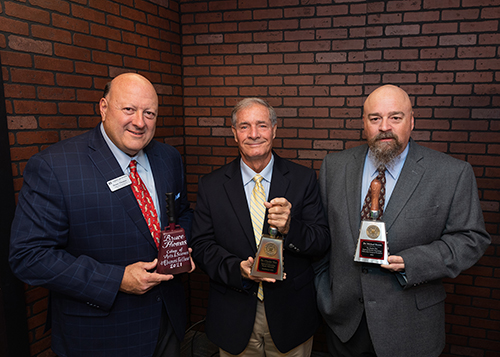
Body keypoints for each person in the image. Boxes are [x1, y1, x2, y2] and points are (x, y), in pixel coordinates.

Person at [9, 73, 194, 357]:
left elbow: (181, 213)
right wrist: (116, 279)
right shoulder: (56, 167)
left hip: (166, 322)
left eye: (149, 113)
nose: (140, 122)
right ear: (104, 107)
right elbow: (29, 256)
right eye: (129, 109)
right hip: (100, 336)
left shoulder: (168, 158)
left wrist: (180, 249)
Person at [315, 84, 491, 357]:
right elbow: (322, 234)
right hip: (345, 324)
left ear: (411, 121)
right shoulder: (334, 167)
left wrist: (414, 262)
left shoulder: (451, 173)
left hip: (410, 326)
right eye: (375, 118)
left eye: (395, 117)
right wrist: (324, 293)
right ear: (364, 124)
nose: (384, 126)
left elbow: (471, 239)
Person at [190, 98, 330, 356]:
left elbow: (321, 240)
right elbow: (201, 246)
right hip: (233, 313)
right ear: (234, 134)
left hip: (291, 315)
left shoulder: (303, 179)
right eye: (244, 126)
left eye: (261, 125)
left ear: (274, 130)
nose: (253, 134)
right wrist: (237, 270)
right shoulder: (211, 185)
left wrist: (291, 228)